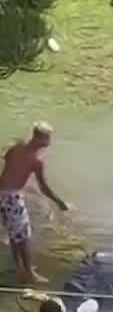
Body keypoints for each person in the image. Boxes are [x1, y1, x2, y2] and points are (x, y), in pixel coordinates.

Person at [0, 122, 68, 285]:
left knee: (14, 234)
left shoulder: (16, 148)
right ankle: (29, 273)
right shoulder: (35, 161)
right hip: (12, 198)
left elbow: (7, 162)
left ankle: (20, 270)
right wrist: (60, 202)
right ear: (40, 138)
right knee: (23, 236)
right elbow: (43, 187)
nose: (49, 142)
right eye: (48, 138)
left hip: (1, 195)